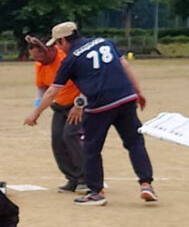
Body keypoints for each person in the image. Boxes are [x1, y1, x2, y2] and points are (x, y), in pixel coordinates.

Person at [24, 21, 156, 206]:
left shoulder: (70, 59)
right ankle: (146, 184)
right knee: (135, 143)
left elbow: (53, 91)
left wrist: (35, 114)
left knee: (91, 149)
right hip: (125, 98)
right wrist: (138, 92)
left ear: (62, 41)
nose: (58, 47)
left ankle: (95, 192)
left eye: (57, 43)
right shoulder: (105, 42)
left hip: (99, 105)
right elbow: (125, 65)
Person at [25, 34, 87, 194]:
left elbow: (87, 81)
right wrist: (36, 109)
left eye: (40, 56)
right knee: (57, 141)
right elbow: (42, 90)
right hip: (59, 106)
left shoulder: (66, 58)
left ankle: (85, 178)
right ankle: (72, 178)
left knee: (70, 136)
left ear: (51, 50)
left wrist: (80, 104)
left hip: (78, 105)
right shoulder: (40, 65)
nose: (38, 61)